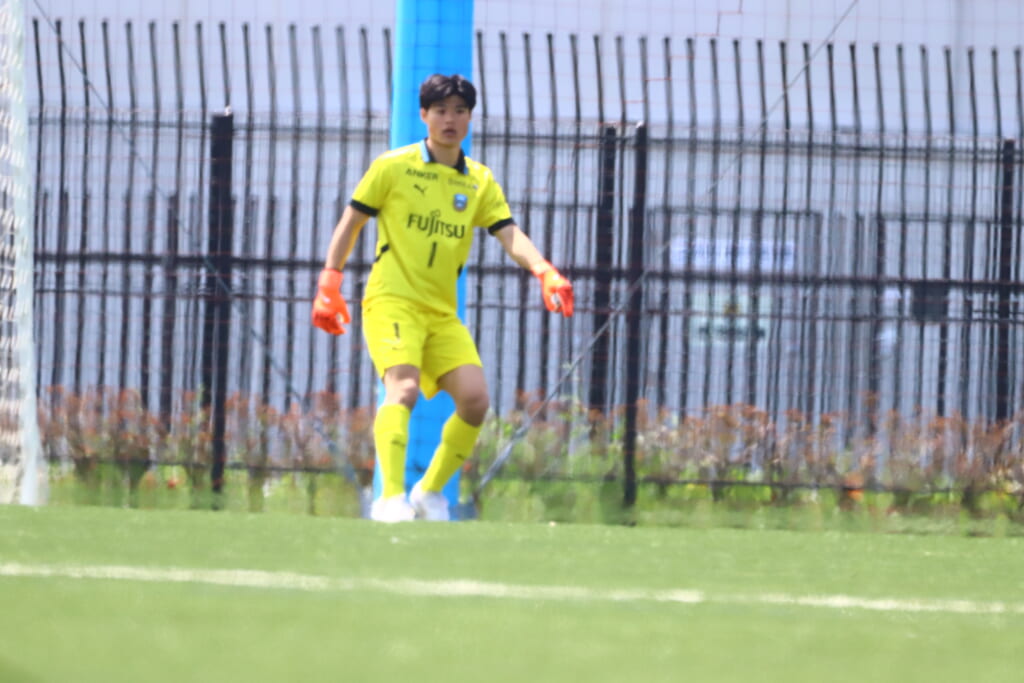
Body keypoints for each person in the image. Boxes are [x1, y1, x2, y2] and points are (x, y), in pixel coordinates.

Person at [312, 73, 574, 522]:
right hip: (392, 301)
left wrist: (545, 271)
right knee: (403, 388)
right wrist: (328, 283)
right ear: (424, 115)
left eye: (459, 111)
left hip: (440, 311)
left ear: (470, 118)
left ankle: (429, 493)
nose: (450, 119)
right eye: (440, 111)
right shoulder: (392, 167)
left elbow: (508, 233)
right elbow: (351, 222)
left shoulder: (478, 180)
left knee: (475, 400)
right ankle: (389, 498)